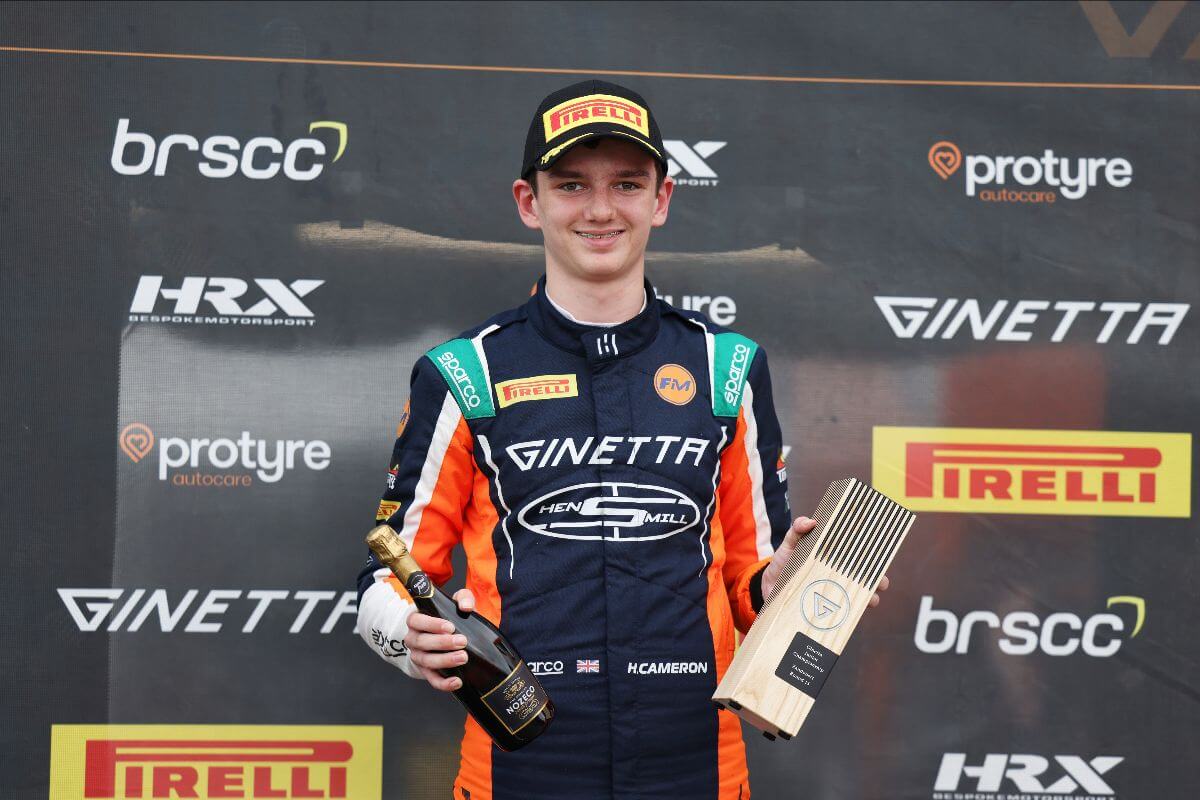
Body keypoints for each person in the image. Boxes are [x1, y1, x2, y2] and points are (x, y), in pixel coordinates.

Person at [356, 79, 888, 800]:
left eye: (627, 184)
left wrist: (788, 581)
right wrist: (405, 634)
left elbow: (747, 589)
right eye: (571, 184)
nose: (600, 209)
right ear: (528, 201)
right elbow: (389, 574)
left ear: (661, 199)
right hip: (521, 760)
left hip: (696, 762)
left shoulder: (728, 368)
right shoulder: (464, 373)